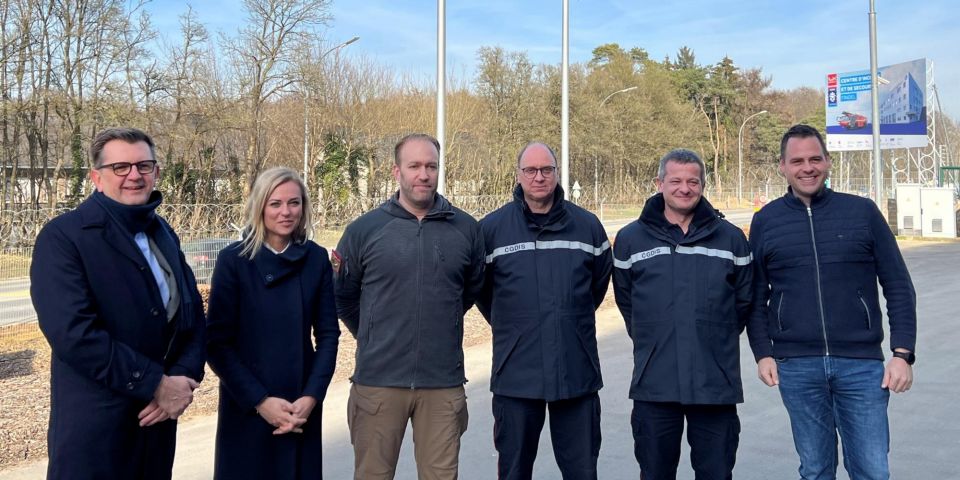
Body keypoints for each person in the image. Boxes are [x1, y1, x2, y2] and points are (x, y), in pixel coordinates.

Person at [30, 127, 205, 479]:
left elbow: (191, 313)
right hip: (97, 432)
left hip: (156, 427)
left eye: (144, 165)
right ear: (97, 177)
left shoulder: (162, 232)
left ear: (156, 172)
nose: (134, 176)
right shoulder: (64, 237)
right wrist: (155, 383)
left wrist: (184, 376)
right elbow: (74, 334)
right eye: (120, 168)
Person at [747, 124, 917, 479]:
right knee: (815, 469)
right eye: (797, 161)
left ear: (827, 162)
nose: (807, 168)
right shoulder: (767, 220)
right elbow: (755, 293)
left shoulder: (862, 212)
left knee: (871, 469)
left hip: (861, 367)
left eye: (814, 159)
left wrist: (902, 354)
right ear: (782, 166)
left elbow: (898, 284)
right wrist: (763, 352)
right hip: (797, 367)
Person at [333, 133, 485, 480]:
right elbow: (343, 296)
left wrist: (437, 323)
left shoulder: (466, 229)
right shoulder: (364, 230)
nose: (424, 174)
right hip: (378, 384)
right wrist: (373, 334)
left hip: (442, 384)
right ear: (396, 172)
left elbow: (469, 290)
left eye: (431, 166)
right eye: (414, 166)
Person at [612, 149, 752, 480]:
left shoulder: (731, 238)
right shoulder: (630, 239)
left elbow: (744, 302)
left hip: (714, 384)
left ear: (703, 184)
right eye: (675, 181)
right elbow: (626, 299)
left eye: (693, 181)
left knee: (716, 473)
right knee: (655, 472)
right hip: (654, 385)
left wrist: (714, 339)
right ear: (659, 183)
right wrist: (654, 335)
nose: (684, 188)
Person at [476, 142, 613, 480]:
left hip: (575, 372)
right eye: (531, 170)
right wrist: (517, 325)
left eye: (546, 170)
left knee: (582, 470)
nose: (539, 177)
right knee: (514, 471)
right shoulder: (491, 230)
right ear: (519, 175)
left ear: (557, 173)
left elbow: (596, 287)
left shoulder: (588, 226)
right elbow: (481, 291)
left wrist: (568, 319)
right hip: (516, 376)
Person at [206, 167, 340, 479]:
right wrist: (260, 401)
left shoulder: (316, 258)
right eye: (275, 203)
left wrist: (311, 396)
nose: (286, 212)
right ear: (259, 207)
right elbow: (217, 343)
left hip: (300, 405)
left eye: (294, 203)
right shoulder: (234, 261)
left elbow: (328, 334)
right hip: (248, 403)